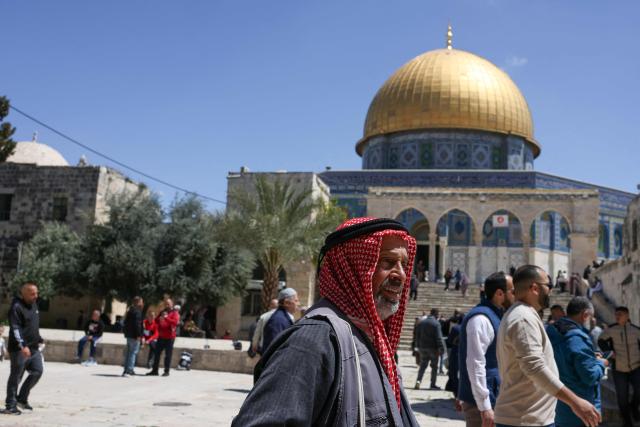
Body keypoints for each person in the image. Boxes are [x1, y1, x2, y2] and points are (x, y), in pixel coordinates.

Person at [232, 217, 420, 426]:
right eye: (387, 262)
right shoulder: (313, 341)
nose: (401, 275)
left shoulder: (369, 337)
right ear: (350, 268)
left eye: (404, 264)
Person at [495, 265, 601, 427]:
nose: (551, 291)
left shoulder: (521, 315)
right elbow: (534, 367)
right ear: (534, 288)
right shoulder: (523, 318)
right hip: (525, 419)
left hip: (528, 418)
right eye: (548, 286)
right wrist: (575, 402)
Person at [457, 272, 514, 427]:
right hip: (482, 404)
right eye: (512, 291)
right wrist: (485, 407)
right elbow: (475, 363)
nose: (515, 295)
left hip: (493, 396)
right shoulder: (481, 319)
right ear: (499, 293)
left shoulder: (496, 315)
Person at [547, 297, 607, 427]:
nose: (592, 321)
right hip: (581, 410)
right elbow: (589, 376)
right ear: (585, 315)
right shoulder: (577, 338)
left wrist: (590, 358)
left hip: (558, 405)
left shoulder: (551, 330)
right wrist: (601, 364)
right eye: (591, 317)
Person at [3, 283, 43, 415]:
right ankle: (10, 404)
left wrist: (39, 338)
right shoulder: (16, 307)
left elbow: (32, 325)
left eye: (36, 293)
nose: (35, 296)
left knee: (37, 371)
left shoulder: (34, 305)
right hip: (19, 349)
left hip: (34, 347)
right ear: (24, 293)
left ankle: (22, 398)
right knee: (16, 376)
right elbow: (15, 328)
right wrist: (22, 345)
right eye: (32, 294)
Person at [598, 306, 640, 427]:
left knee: (639, 391)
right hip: (619, 369)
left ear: (627, 316)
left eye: (620, 314)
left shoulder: (636, 330)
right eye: (616, 314)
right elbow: (601, 340)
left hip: (636, 367)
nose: (617, 317)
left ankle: (634, 407)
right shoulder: (611, 330)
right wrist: (610, 353)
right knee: (622, 397)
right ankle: (627, 420)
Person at [147, 298, 180, 377]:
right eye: (166, 304)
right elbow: (157, 321)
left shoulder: (174, 313)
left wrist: (166, 318)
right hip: (161, 336)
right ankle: (155, 370)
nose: (167, 305)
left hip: (170, 337)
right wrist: (159, 319)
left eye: (168, 304)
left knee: (168, 355)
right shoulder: (162, 312)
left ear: (172, 304)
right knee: (157, 353)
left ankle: (166, 371)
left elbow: (175, 322)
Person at [415, 308, 445, 390]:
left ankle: (418, 381)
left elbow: (417, 335)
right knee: (434, 367)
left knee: (422, 366)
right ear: (436, 314)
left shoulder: (422, 322)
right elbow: (439, 338)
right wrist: (441, 348)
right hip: (433, 349)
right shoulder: (436, 324)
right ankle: (432, 384)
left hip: (422, 348)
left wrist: (417, 346)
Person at [261, 288, 299, 353]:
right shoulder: (278, 321)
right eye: (296, 301)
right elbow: (273, 348)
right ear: (286, 303)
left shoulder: (284, 318)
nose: (298, 304)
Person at [122, 296, 144, 377]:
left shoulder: (130, 310)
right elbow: (137, 325)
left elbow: (125, 322)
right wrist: (139, 335)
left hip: (129, 335)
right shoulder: (137, 312)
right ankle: (129, 370)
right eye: (141, 301)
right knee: (133, 353)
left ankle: (125, 370)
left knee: (128, 353)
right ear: (138, 302)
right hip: (134, 335)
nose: (142, 303)